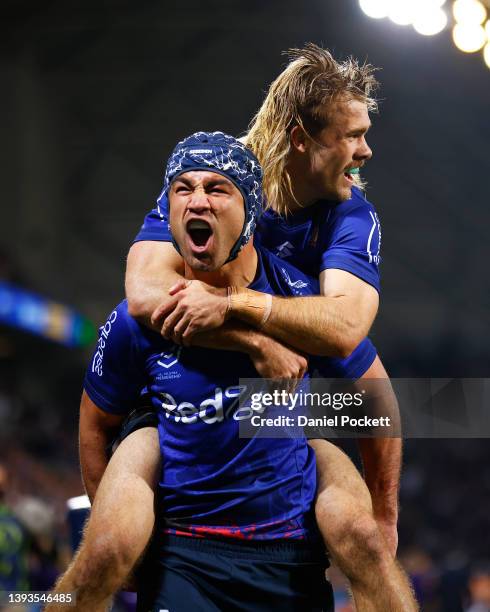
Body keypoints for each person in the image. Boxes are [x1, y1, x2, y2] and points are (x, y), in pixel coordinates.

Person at [125, 44, 415, 610]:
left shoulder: (351, 214)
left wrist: (384, 516)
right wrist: (250, 339)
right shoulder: (214, 179)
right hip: (176, 389)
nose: (366, 149)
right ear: (302, 139)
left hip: (281, 397)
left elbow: (347, 328)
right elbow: (143, 294)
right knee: (109, 541)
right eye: (351, 135)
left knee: (368, 519)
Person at [49, 132, 335, 612]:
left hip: (286, 559)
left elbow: (375, 397)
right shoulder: (136, 318)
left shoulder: (298, 304)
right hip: (184, 556)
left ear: (250, 212)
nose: (197, 199)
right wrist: (109, 519)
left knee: (362, 533)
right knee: (102, 554)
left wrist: (376, 503)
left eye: (217, 188)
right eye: (183, 188)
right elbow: (95, 424)